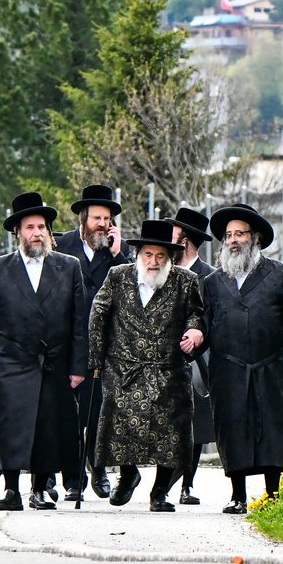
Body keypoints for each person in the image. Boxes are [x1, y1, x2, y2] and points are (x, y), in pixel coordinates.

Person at [203, 204, 283, 515]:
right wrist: (191, 340)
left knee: (271, 428)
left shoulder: (279, 274)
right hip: (227, 368)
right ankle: (238, 495)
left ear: (254, 238)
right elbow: (202, 323)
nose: (233, 240)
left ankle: (273, 494)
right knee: (233, 428)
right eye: (228, 235)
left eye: (239, 234)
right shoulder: (214, 283)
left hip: (268, 364)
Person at [0, 191, 88, 512]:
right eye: (30, 227)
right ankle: (11, 490)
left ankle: (40, 489)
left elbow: (79, 321)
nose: (37, 233)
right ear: (18, 233)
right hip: (11, 363)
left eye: (41, 227)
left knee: (47, 428)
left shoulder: (68, 267)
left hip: (54, 362)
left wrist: (78, 366)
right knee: (10, 427)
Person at [87, 217, 205, 513]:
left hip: (169, 369)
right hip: (124, 368)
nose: (154, 261)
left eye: (160, 256)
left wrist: (195, 331)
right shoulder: (118, 276)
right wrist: (96, 358)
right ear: (139, 255)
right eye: (148, 255)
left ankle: (160, 491)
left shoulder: (185, 281)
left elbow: (196, 314)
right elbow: (98, 313)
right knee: (123, 423)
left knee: (170, 430)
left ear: (170, 257)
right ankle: (127, 476)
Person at [54, 181, 131, 499]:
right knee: (69, 417)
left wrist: (117, 255)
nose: (103, 224)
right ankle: (73, 480)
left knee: (99, 415)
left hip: (104, 350)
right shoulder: (61, 247)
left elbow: (130, 294)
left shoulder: (120, 254)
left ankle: (98, 471)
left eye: (108, 219)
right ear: (83, 219)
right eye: (97, 218)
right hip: (68, 346)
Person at [169, 204, 214, 505]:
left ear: (184, 241)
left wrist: (198, 336)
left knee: (194, 422)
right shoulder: (162, 271)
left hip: (194, 358)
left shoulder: (209, 277)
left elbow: (213, 319)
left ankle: (188, 483)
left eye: (172, 236)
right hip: (160, 354)